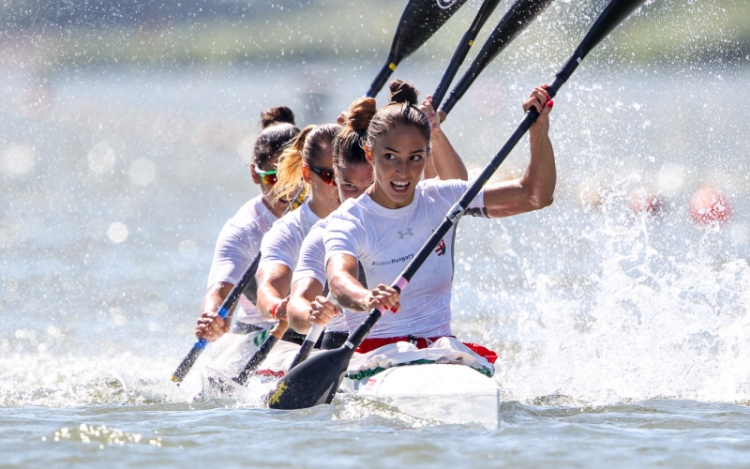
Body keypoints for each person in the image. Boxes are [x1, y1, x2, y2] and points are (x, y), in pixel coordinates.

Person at [323, 85, 555, 377]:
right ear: (370, 154)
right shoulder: (350, 220)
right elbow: (338, 279)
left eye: (415, 158)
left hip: (442, 351)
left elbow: (535, 195)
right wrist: (367, 298)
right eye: (391, 157)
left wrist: (539, 131)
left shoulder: (444, 199)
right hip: (375, 357)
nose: (403, 172)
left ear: (427, 153)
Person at [286, 80, 468, 350]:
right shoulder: (326, 233)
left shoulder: (412, 211)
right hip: (345, 347)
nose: (359, 195)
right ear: (335, 180)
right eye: (348, 186)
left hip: (423, 343)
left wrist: (435, 133)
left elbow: (458, 188)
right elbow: (296, 307)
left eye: (367, 184)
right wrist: (311, 314)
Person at [193, 106, 299, 372]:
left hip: (316, 324)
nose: (286, 188)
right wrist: (211, 317)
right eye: (273, 177)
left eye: (293, 176)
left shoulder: (328, 208)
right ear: (255, 174)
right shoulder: (244, 229)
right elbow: (219, 290)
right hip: (260, 332)